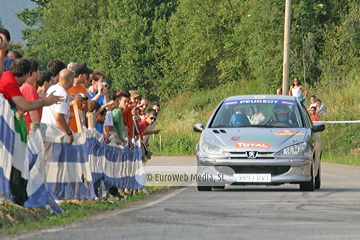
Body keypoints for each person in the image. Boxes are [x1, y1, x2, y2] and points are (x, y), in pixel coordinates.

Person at [41, 69, 75, 145]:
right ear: (71, 80)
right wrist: (69, 133)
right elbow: (59, 118)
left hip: (45, 132)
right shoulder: (63, 93)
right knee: (53, 157)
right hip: (54, 136)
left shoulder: (52, 88)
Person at [68, 63, 93, 132]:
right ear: (80, 76)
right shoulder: (66, 87)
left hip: (78, 128)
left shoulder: (83, 88)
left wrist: (84, 106)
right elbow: (59, 107)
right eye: (86, 75)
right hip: (67, 129)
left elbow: (86, 110)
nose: (87, 77)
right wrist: (73, 102)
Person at [19, 58, 41, 134]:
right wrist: (37, 131)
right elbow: (33, 112)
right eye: (38, 70)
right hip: (29, 130)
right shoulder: (29, 89)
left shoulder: (23, 86)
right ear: (34, 73)